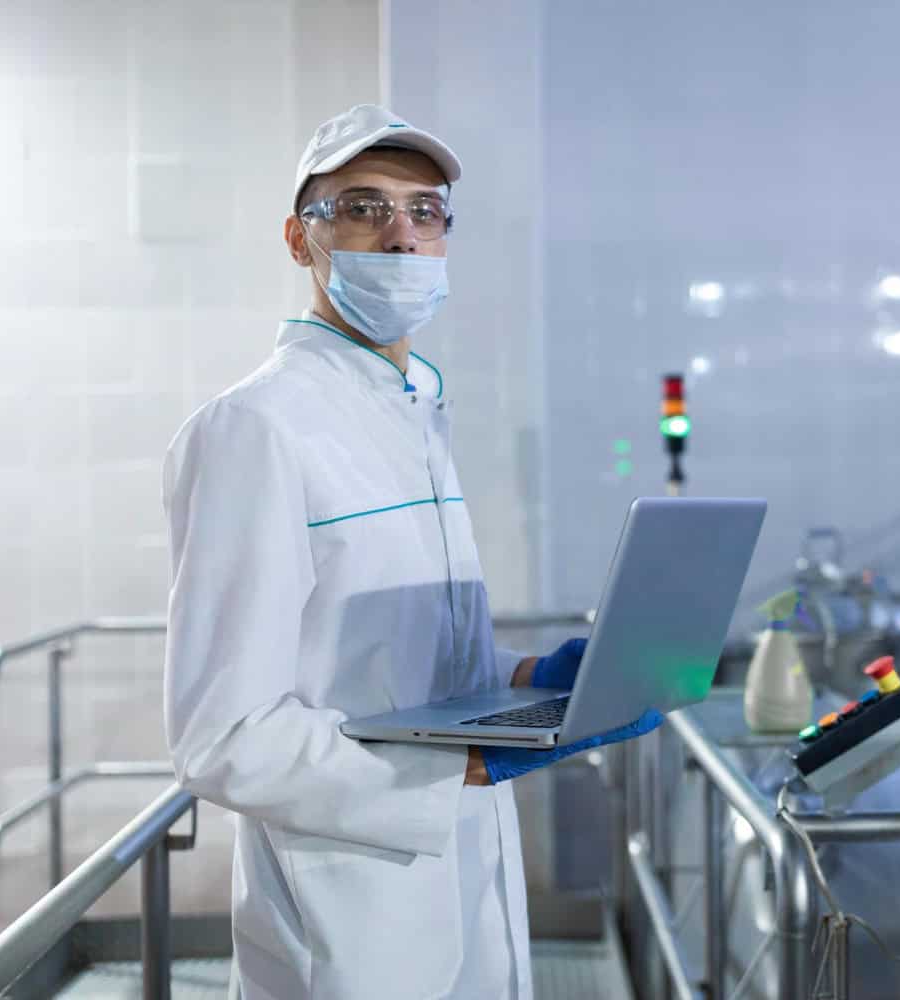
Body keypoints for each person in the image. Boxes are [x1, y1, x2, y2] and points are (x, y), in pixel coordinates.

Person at [161, 104, 657, 1000]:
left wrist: (530, 674)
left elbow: (400, 655)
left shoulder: (411, 405)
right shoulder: (255, 429)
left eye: (424, 211)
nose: (400, 235)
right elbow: (223, 738)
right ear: (297, 238)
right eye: (362, 206)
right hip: (346, 913)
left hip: (465, 874)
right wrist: (464, 763)